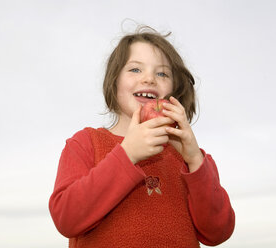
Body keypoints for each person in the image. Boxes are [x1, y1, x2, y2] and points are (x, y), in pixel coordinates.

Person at [49, 26, 235, 248]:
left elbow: (218, 232)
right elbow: (66, 219)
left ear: (174, 91)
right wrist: (127, 155)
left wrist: (195, 160)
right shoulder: (86, 143)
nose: (149, 79)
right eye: (135, 70)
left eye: (162, 73)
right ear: (113, 81)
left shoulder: (190, 158)